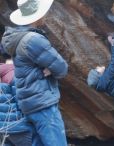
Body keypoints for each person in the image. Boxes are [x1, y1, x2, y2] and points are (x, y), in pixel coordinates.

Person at [1, 0, 68, 145]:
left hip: (28, 102)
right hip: (42, 102)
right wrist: (49, 71)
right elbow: (62, 68)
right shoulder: (34, 40)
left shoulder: (16, 38)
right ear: (37, 16)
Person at [0, 59, 33, 146]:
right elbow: (23, 104)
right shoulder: (14, 74)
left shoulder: (3, 76)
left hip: (3, 128)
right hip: (19, 126)